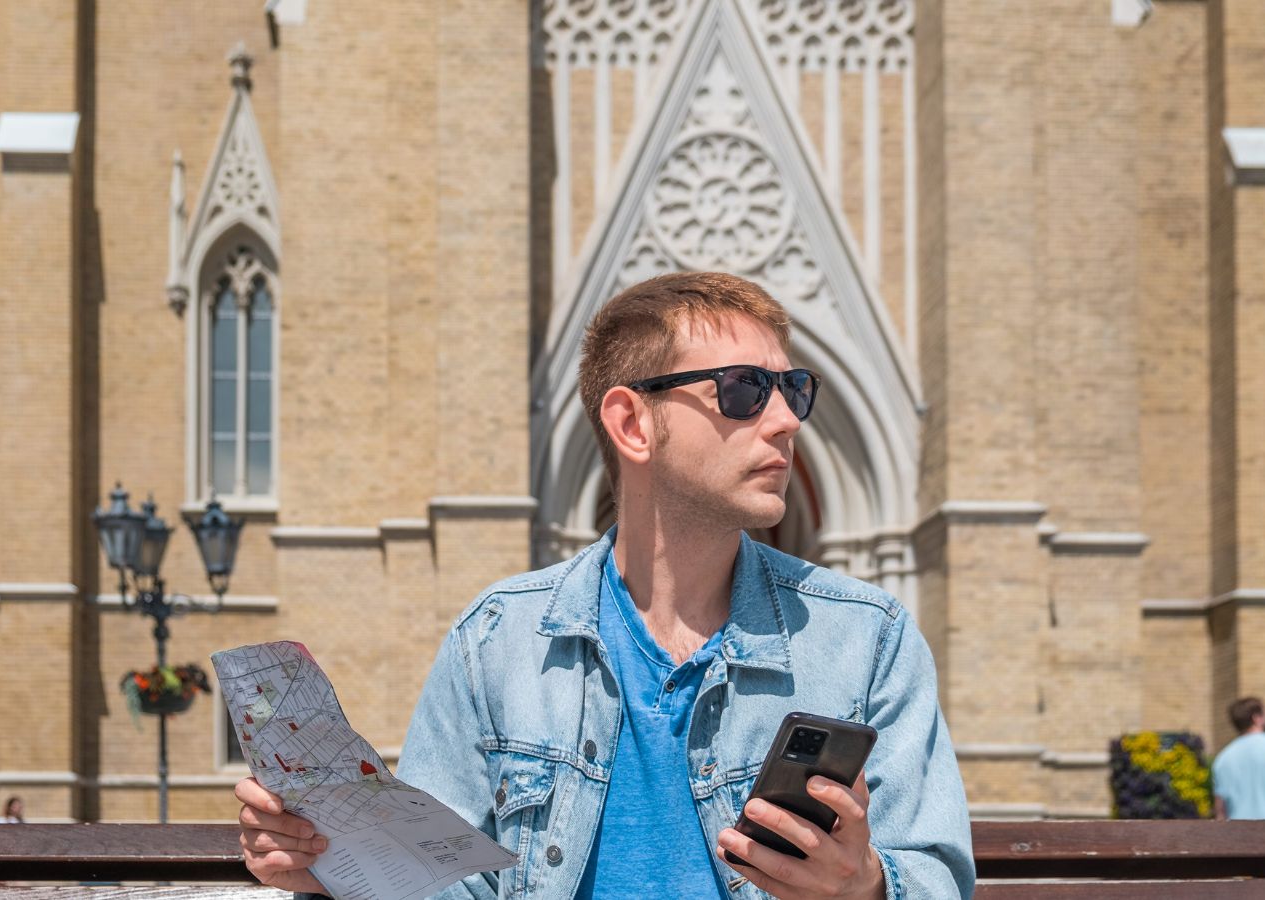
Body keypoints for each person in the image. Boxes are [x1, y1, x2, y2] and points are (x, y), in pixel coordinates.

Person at [234, 272, 976, 898]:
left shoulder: (866, 637)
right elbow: (444, 885)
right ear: (631, 423)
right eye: (746, 389)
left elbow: (937, 875)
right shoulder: (497, 639)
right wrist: (331, 863)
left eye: (793, 389)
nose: (785, 421)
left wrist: (868, 886)